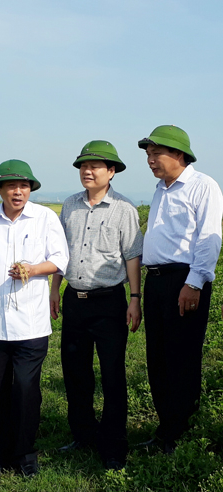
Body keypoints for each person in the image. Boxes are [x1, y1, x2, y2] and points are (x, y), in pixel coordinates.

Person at [0, 159, 69, 482]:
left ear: (30, 189)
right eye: (10, 186)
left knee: (26, 391)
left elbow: (61, 260)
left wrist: (32, 269)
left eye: (23, 186)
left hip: (31, 325)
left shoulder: (45, 218)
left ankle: (26, 455)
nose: (17, 192)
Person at [49, 141, 143, 470]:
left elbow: (132, 257)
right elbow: (60, 254)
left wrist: (134, 299)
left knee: (113, 374)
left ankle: (114, 445)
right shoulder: (69, 207)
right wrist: (55, 290)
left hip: (109, 304)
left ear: (112, 172)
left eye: (96, 166)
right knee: (76, 373)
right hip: (75, 300)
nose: (87, 171)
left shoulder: (125, 210)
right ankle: (83, 434)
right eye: (82, 166)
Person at [138, 125, 223, 454]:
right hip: (156, 280)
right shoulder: (161, 189)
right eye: (147, 154)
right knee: (156, 356)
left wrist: (195, 282)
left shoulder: (203, 186)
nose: (150, 160)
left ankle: (180, 433)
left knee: (181, 357)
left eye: (155, 153)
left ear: (178, 154)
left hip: (183, 280)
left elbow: (208, 237)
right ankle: (165, 428)